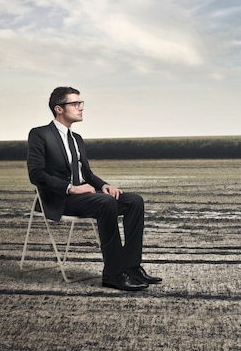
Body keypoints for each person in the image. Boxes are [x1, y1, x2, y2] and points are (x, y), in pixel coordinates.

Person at [27, 86, 161, 291]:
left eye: (81, 103)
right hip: (60, 198)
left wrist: (104, 185)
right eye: (75, 103)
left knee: (134, 200)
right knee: (105, 203)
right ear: (58, 109)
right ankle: (113, 274)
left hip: (86, 196)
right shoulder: (40, 134)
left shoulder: (77, 139)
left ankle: (132, 267)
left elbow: (86, 174)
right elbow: (35, 174)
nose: (81, 108)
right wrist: (70, 188)